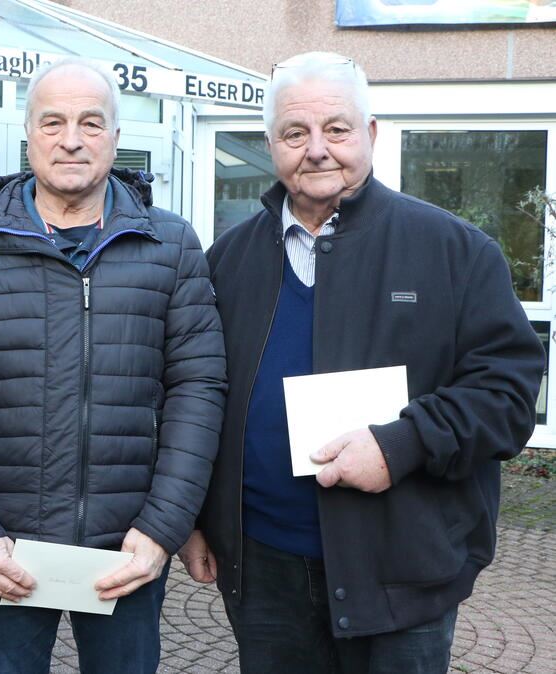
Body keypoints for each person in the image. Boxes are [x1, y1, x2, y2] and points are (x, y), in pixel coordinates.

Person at [181, 51, 546, 673]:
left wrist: (402, 444)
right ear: (272, 145)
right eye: (295, 133)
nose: (317, 149)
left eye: (337, 128)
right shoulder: (227, 262)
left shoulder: (456, 252)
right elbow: (196, 395)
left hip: (402, 568)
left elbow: (508, 396)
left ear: (370, 134)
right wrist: (194, 518)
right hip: (263, 569)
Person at [0, 57, 227, 674]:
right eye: (53, 122)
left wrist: (164, 526)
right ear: (28, 134)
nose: (72, 139)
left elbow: (198, 386)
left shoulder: (171, 244)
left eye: (91, 122)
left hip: (125, 547)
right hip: (5, 547)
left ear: (114, 136)